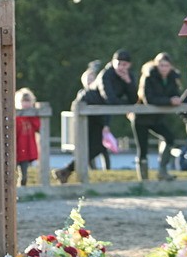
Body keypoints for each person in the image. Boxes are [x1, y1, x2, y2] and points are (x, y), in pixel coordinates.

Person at [54, 49, 135, 183]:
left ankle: (66, 170)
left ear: (129, 65)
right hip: (85, 107)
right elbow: (110, 99)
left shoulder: (128, 77)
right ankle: (72, 173)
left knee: (98, 147)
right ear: (113, 62)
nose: (122, 67)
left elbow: (133, 99)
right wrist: (125, 104)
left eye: (125, 64)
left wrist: (128, 83)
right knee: (86, 144)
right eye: (119, 63)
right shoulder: (106, 75)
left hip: (98, 112)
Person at [134, 52, 183, 181]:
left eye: (166, 65)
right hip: (141, 118)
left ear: (171, 66)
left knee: (169, 138)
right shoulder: (148, 76)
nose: (164, 68)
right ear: (156, 65)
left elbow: (174, 94)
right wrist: (169, 101)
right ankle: (143, 180)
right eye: (161, 65)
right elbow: (148, 99)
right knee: (143, 149)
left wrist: (176, 99)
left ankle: (162, 171)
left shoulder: (173, 78)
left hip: (156, 118)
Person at [14, 87, 41, 187]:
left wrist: (34, 115)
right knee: (12, 174)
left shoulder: (33, 116)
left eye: (28, 101)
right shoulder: (16, 116)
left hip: (26, 150)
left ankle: (22, 190)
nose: (25, 104)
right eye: (23, 101)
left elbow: (38, 127)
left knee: (24, 175)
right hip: (15, 150)